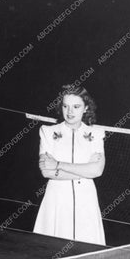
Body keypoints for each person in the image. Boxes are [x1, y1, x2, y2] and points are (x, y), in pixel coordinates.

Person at [33, 85, 106, 245]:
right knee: (50, 251)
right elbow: (46, 172)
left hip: (86, 200)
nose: (70, 111)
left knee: (87, 250)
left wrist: (58, 164)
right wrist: (86, 170)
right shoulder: (47, 131)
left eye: (76, 106)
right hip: (56, 199)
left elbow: (97, 170)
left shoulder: (96, 135)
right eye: (65, 106)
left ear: (86, 108)